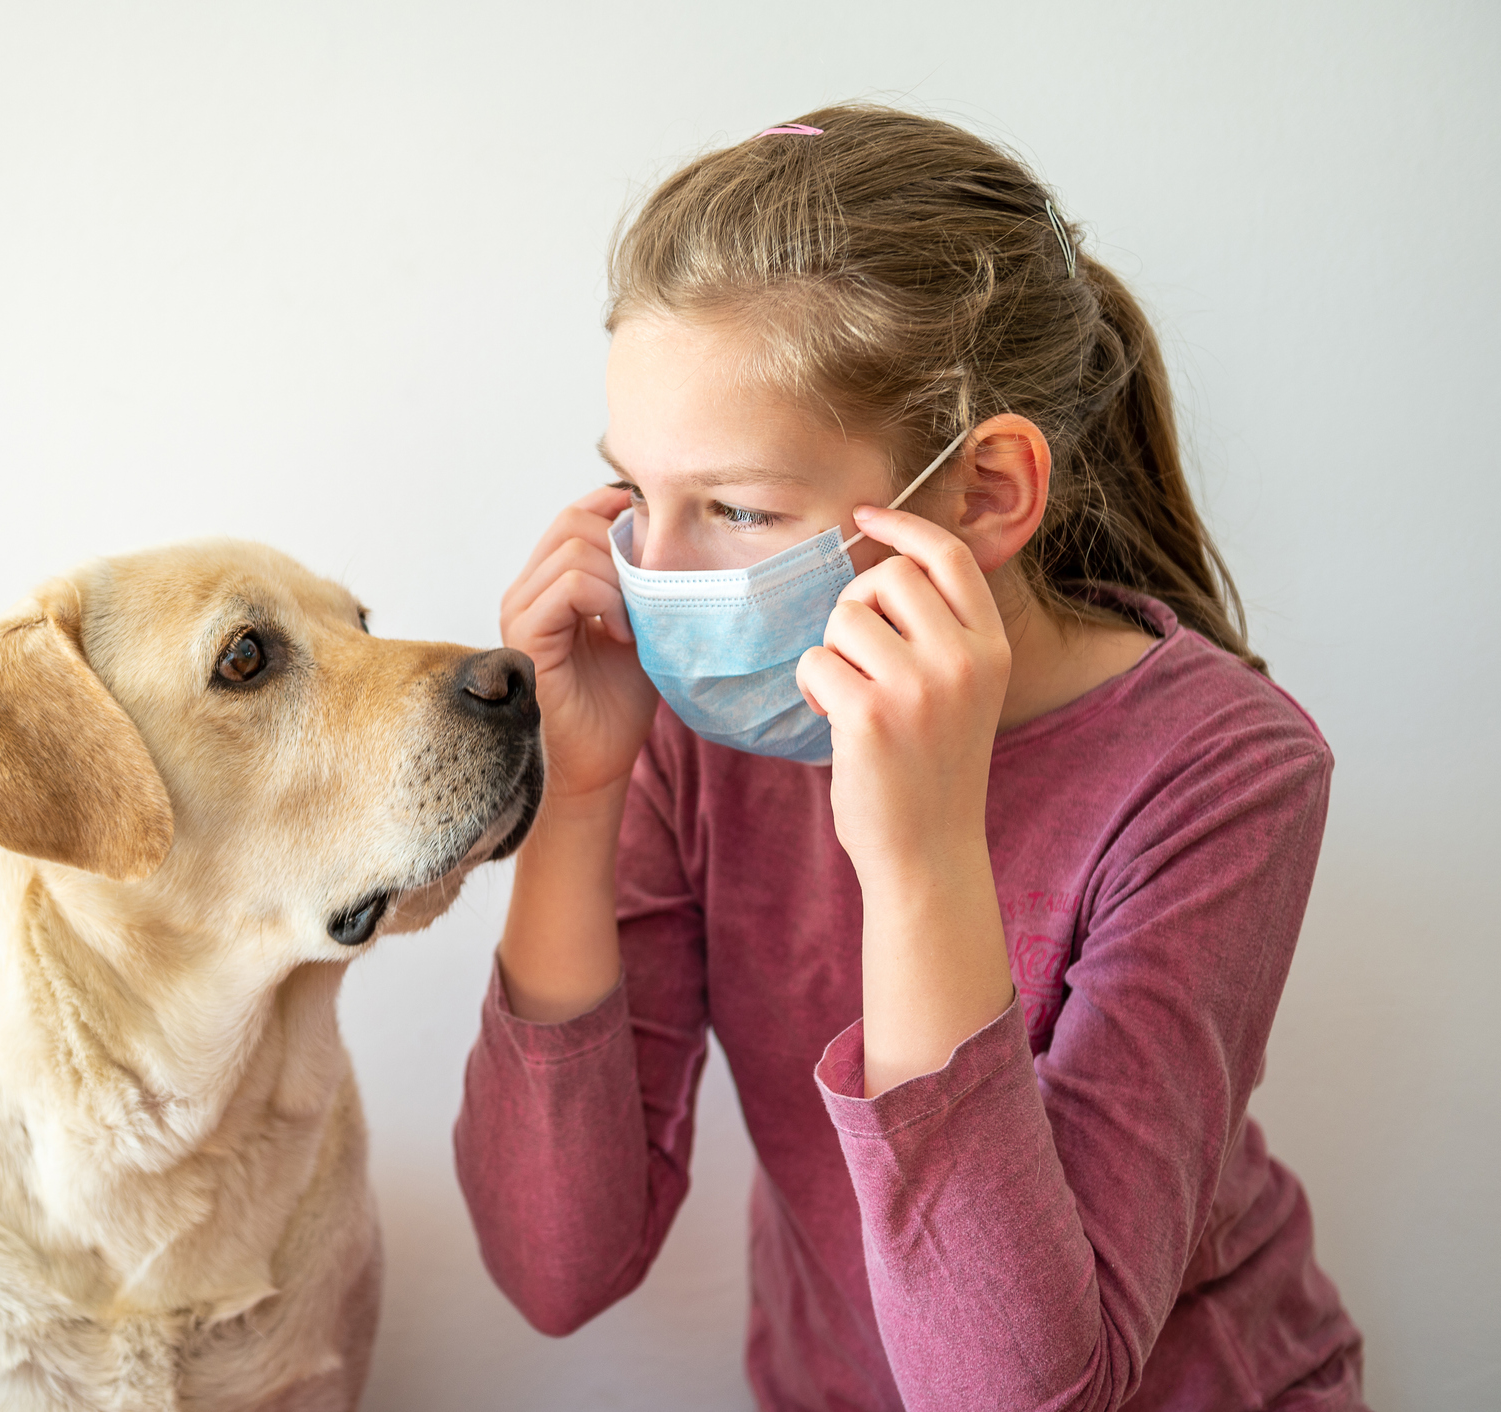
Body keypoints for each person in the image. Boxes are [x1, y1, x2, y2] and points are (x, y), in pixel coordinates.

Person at [454, 104, 1366, 1411]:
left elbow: (1015, 1394)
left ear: (985, 490)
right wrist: (578, 795)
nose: (654, 576)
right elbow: (557, 1268)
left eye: (737, 508)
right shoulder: (701, 734)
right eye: (636, 495)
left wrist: (923, 856)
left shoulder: (1220, 771)